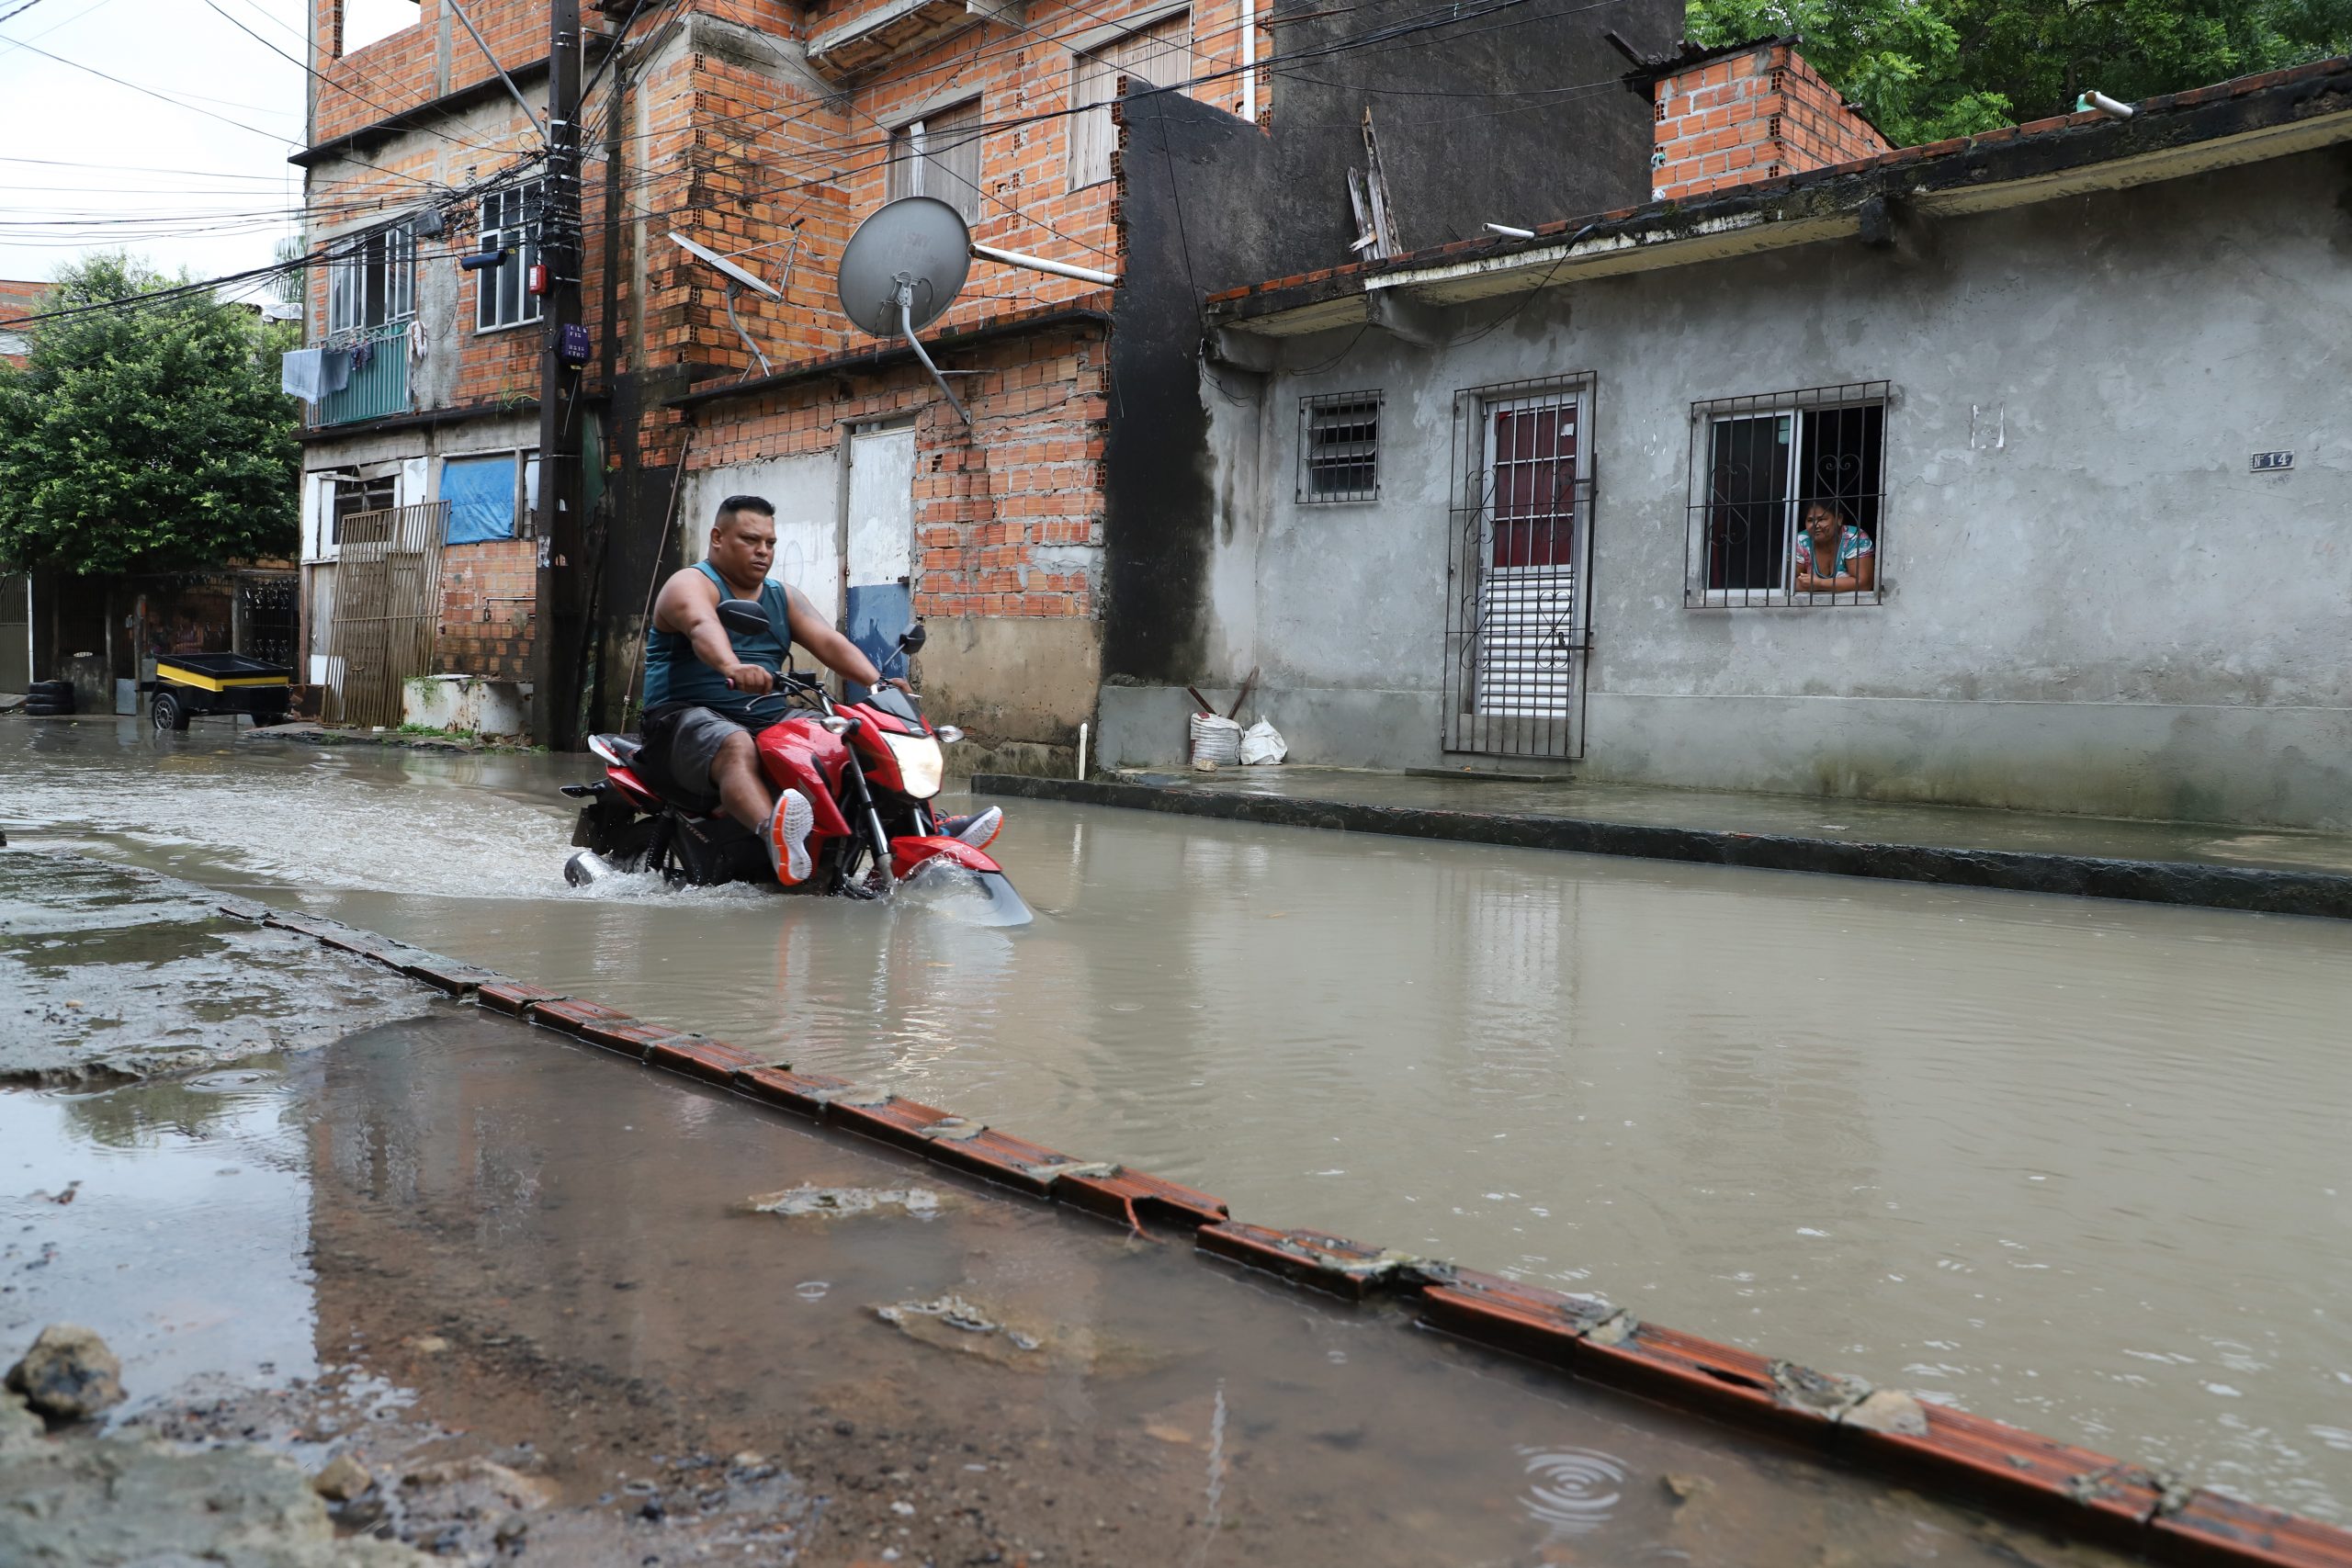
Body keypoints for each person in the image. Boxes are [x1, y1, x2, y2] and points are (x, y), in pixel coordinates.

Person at [639, 494, 998, 886]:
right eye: (750, 540)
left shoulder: (782, 596)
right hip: (678, 719)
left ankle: (924, 831)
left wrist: (875, 681)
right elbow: (700, 625)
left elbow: (829, 642)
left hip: (764, 713)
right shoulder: (690, 584)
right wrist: (732, 666)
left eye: (770, 543)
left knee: (856, 735)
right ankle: (774, 836)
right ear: (717, 538)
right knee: (735, 745)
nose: (763, 551)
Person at [1792, 500, 1874, 593]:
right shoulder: (1801, 540)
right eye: (1810, 520)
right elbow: (1788, 581)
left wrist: (1820, 584)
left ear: (1839, 519)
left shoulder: (1854, 537)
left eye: (1822, 519)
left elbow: (1864, 583)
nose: (1815, 525)